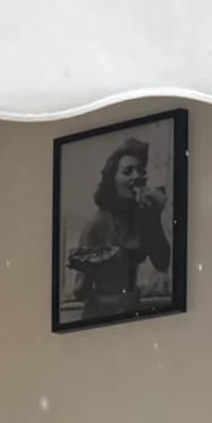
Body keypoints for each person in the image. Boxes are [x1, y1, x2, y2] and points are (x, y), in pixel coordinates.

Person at [67, 137, 171, 319]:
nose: (136, 176)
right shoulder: (95, 224)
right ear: (112, 180)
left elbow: (162, 263)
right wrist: (90, 270)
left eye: (140, 170)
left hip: (133, 310)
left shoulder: (143, 219)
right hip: (99, 316)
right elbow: (79, 293)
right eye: (127, 171)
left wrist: (155, 218)